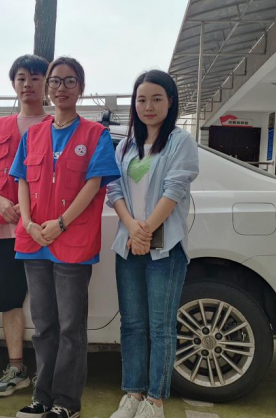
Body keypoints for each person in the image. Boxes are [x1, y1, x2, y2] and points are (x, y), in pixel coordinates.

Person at [10, 57, 120, 418]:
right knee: (43, 326)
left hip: (72, 240)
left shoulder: (95, 135)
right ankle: (41, 397)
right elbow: (22, 180)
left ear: (81, 88)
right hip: (34, 241)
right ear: (48, 88)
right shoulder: (33, 134)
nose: (61, 88)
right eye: (55, 81)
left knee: (71, 327)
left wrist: (61, 223)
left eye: (70, 81)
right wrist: (27, 222)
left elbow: (94, 184)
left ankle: (66, 402)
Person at [107, 70, 199, 418]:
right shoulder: (126, 145)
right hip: (128, 244)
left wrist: (145, 231)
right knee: (132, 324)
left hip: (166, 247)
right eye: (142, 99)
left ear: (170, 102)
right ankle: (132, 394)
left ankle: (155, 401)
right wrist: (133, 229)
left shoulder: (180, 141)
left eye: (156, 99)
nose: (148, 106)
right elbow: (113, 189)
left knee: (161, 327)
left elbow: (175, 189)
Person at [0, 54, 51, 397]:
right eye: (21, 78)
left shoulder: (57, 124)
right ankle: (17, 367)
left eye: (35, 77)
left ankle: (51, 371)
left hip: (46, 231)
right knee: (8, 301)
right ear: (13, 84)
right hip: (2, 229)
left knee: (48, 303)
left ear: (46, 83)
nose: (28, 84)